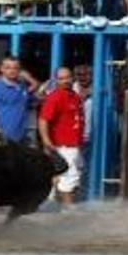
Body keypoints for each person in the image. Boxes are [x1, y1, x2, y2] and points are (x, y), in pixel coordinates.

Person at [38, 67, 84, 206]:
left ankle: (52, 203)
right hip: (63, 145)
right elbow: (43, 120)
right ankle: (68, 210)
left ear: (72, 78)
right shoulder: (55, 97)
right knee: (69, 177)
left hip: (74, 144)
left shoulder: (74, 95)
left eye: (67, 77)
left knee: (69, 174)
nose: (65, 81)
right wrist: (46, 140)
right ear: (56, 80)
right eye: (61, 78)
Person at [0, 57, 38, 143]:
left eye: (15, 68)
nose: (12, 70)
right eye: (8, 68)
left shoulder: (22, 86)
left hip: (23, 137)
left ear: (20, 70)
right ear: (1, 69)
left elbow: (33, 100)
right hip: (3, 137)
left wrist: (30, 79)